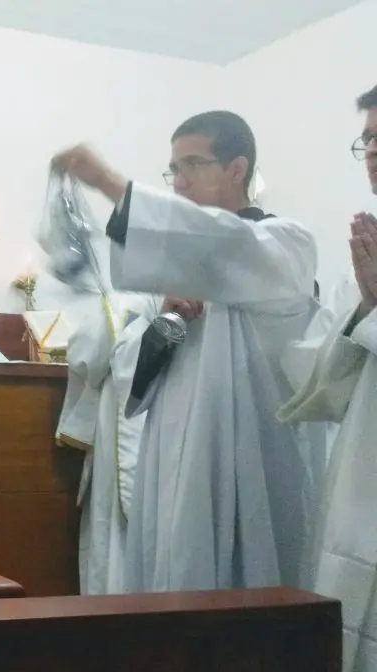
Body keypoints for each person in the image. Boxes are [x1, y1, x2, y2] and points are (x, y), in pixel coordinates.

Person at [50, 111, 319, 592]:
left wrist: (108, 182)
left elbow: (224, 246)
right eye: (173, 169)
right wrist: (167, 322)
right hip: (176, 457)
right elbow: (132, 368)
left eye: (192, 165)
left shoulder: (285, 243)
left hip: (248, 459)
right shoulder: (171, 264)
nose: (179, 181)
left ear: (237, 169)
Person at [277, 84, 377, 672]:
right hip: (359, 492)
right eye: (367, 141)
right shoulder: (364, 258)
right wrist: (365, 307)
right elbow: (323, 382)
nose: (373, 154)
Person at [56, 290, 157, 594]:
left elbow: (86, 356)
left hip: (121, 416)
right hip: (172, 424)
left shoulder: (119, 300)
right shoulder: (203, 294)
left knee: (111, 529)